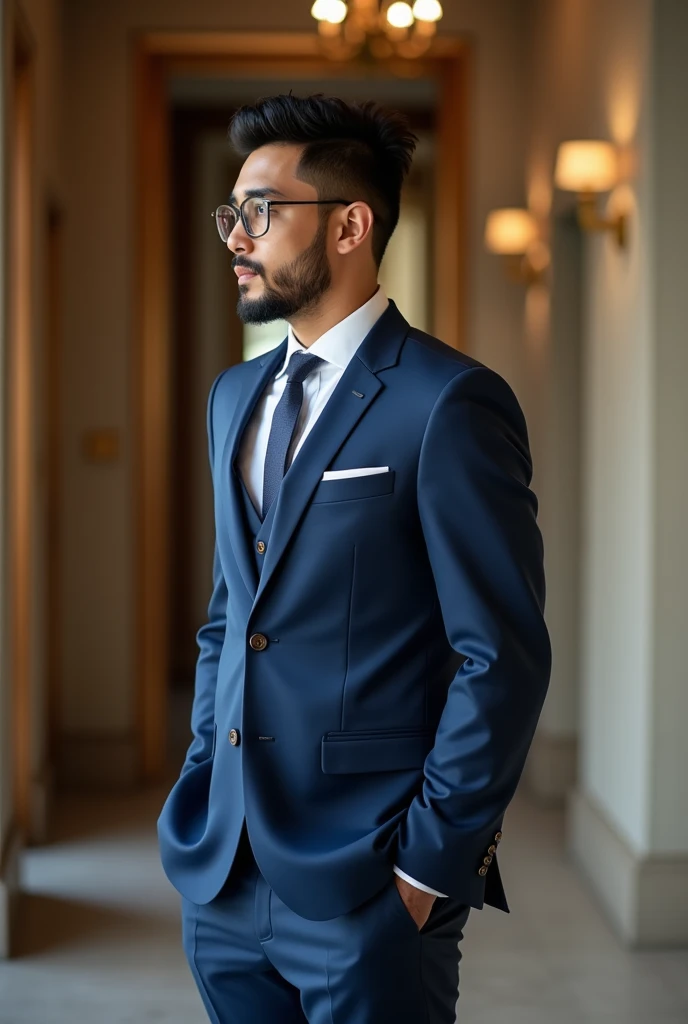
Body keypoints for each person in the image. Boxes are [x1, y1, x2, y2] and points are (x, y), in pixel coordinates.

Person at [157, 92, 551, 1024]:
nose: (235, 237)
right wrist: (201, 780)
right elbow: (230, 618)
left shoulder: (449, 401)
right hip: (224, 875)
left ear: (349, 224)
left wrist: (426, 868)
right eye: (231, 213)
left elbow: (501, 656)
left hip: (371, 880)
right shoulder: (233, 397)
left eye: (261, 211)